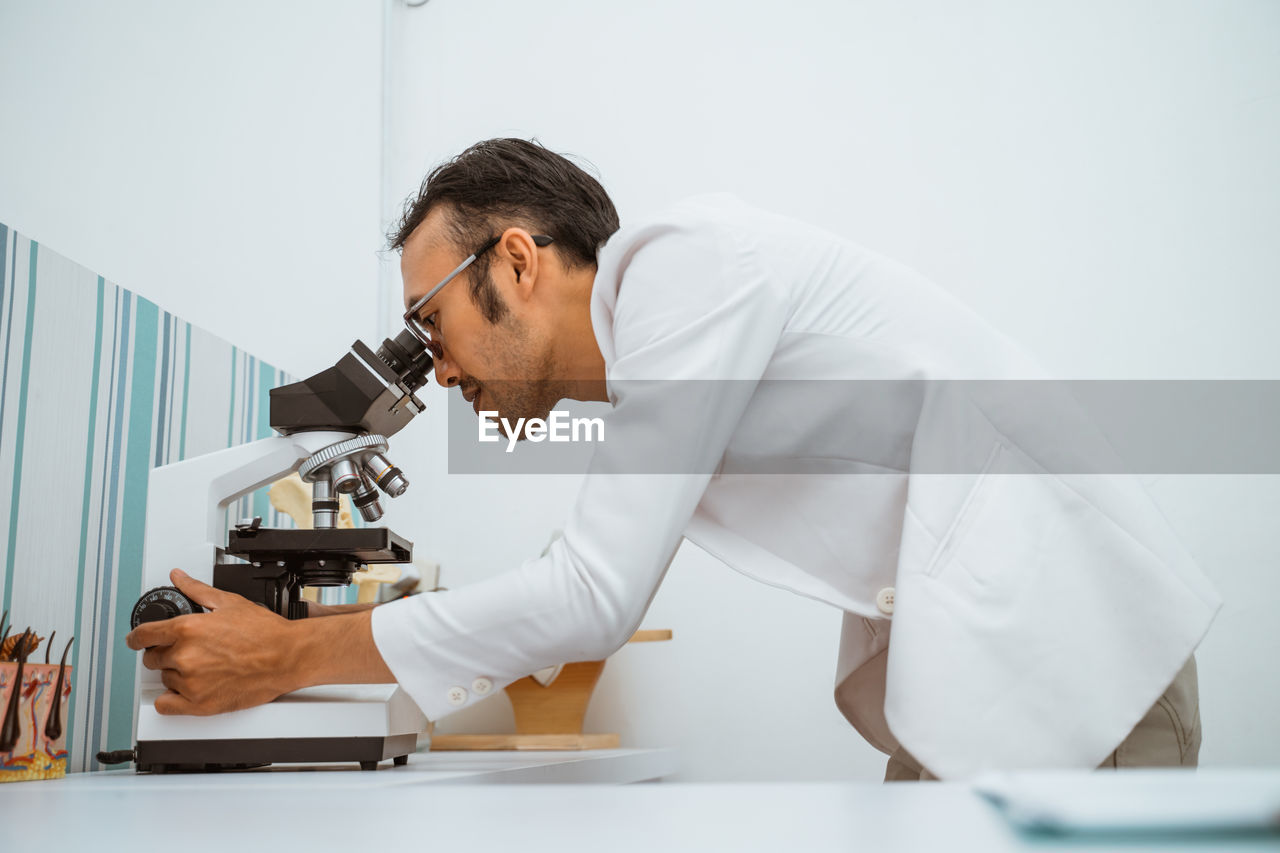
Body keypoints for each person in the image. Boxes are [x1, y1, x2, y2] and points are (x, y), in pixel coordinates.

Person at [127, 138, 1219, 780]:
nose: (437, 371)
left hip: (1075, 664)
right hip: (983, 668)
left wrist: (289, 656)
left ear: (515, 258)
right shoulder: (655, 367)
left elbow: (589, 593)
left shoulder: (687, 268)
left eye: (428, 321)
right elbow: (580, 566)